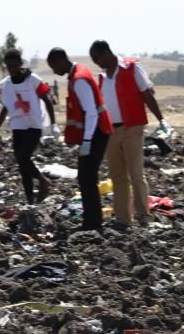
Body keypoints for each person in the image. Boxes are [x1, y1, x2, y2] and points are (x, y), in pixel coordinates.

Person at [90, 40, 170, 228]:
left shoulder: (131, 68)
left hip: (132, 127)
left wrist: (161, 119)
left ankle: (144, 217)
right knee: (118, 176)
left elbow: (147, 94)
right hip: (111, 130)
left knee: (136, 173)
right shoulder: (101, 78)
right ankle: (123, 219)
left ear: (106, 53)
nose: (95, 62)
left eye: (96, 58)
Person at [46, 47, 113, 231]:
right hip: (95, 132)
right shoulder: (77, 74)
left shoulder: (79, 80)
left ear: (60, 60)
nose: (54, 71)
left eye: (53, 66)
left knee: (86, 178)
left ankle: (92, 223)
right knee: (86, 178)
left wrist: (87, 141)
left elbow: (91, 112)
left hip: (96, 132)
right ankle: (92, 220)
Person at [0, 49, 57, 204]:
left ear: (20, 64)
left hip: (33, 126)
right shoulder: (6, 85)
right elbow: (5, 108)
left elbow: (47, 100)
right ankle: (30, 200)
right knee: (22, 164)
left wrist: (53, 124)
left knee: (23, 157)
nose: (12, 69)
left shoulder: (33, 80)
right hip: (18, 127)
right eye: (9, 66)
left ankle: (43, 181)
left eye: (14, 65)